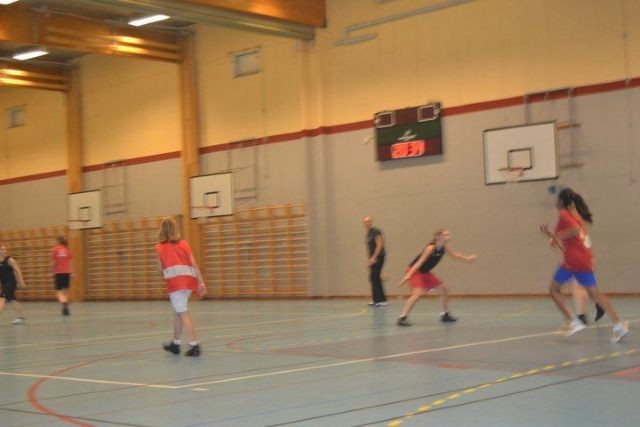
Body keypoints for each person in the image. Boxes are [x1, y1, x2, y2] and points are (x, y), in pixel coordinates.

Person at [540, 188, 628, 342]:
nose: (555, 201)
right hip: (582, 259)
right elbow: (565, 243)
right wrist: (550, 235)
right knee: (596, 296)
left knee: (553, 290)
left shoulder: (564, 214)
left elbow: (574, 230)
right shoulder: (572, 215)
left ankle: (574, 322)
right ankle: (619, 326)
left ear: (561, 201)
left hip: (573, 261)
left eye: (557, 198)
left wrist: (555, 235)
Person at [396, 229, 477, 326]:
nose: (448, 237)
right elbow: (419, 262)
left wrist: (467, 258)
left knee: (444, 288)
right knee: (417, 293)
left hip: (425, 272)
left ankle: (445, 315)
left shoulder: (443, 247)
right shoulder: (430, 248)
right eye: (445, 235)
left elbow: (455, 255)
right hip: (415, 271)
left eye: (448, 235)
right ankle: (402, 318)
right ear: (438, 237)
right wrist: (408, 275)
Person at [155, 217, 207, 357]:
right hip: (188, 282)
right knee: (178, 311)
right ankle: (176, 344)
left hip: (176, 284)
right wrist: (201, 282)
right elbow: (194, 263)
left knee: (182, 312)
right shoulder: (184, 244)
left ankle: (195, 345)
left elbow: (159, 268)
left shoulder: (159, 247)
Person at [548, 237, 605, 325]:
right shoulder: (572, 238)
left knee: (580, 289)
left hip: (581, 263)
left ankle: (583, 314)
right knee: (580, 290)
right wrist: (556, 241)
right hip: (575, 263)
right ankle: (589, 310)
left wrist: (556, 239)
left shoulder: (578, 235)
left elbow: (580, 248)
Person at [363, 216, 387, 307]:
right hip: (373, 259)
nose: (367, 223)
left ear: (371, 222)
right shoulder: (368, 234)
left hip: (379, 257)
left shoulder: (376, 231)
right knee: (373, 277)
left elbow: (380, 244)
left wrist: (374, 257)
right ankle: (376, 299)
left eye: (368, 221)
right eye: (365, 222)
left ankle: (382, 300)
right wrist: (370, 259)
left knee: (375, 277)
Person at [0, 245, 27, 324]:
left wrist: (21, 281)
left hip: (10, 283)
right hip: (4, 283)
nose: (4, 251)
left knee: (2, 299)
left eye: (5, 249)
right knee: (14, 299)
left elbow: (17, 270)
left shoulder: (10, 260)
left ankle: (20, 317)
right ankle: (20, 317)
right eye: (2, 249)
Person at [51, 236, 73, 316]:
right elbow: (70, 262)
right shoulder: (68, 250)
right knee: (66, 291)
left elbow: (54, 262)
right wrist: (72, 272)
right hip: (67, 272)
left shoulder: (55, 249)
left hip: (58, 273)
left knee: (59, 291)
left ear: (58, 241)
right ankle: (66, 304)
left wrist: (51, 270)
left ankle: (64, 303)